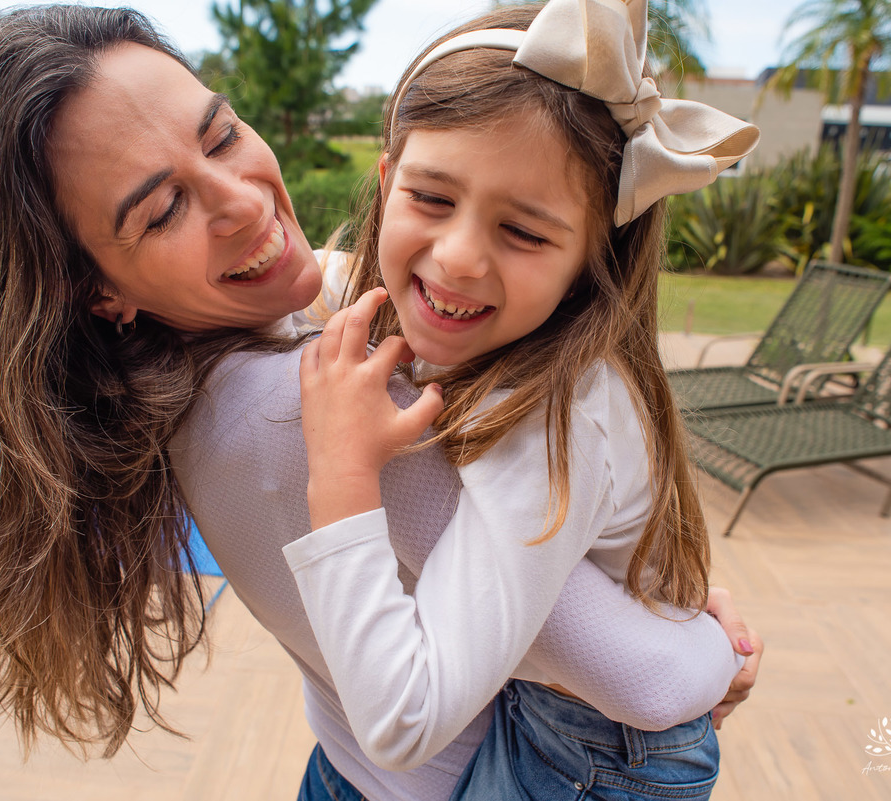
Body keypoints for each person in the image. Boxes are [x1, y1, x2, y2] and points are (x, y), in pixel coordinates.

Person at [0, 5, 762, 800]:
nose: (244, 201)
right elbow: (638, 675)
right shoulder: (301, 410)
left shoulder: (209, 354)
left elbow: (349, 274)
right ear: (96, 288)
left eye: (222, 136)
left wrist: (649, 573)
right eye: (164, 209)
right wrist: (707, 644)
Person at [289, 1, 761, 797]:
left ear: (590, 260)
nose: (458, 258)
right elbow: (320, 274)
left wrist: (341, 473)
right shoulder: (432, 303)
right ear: (388, 181)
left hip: (592, 753)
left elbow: (403, 718)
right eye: (432, 198)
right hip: (534, 696)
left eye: (526, 233)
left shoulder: (557, 416)